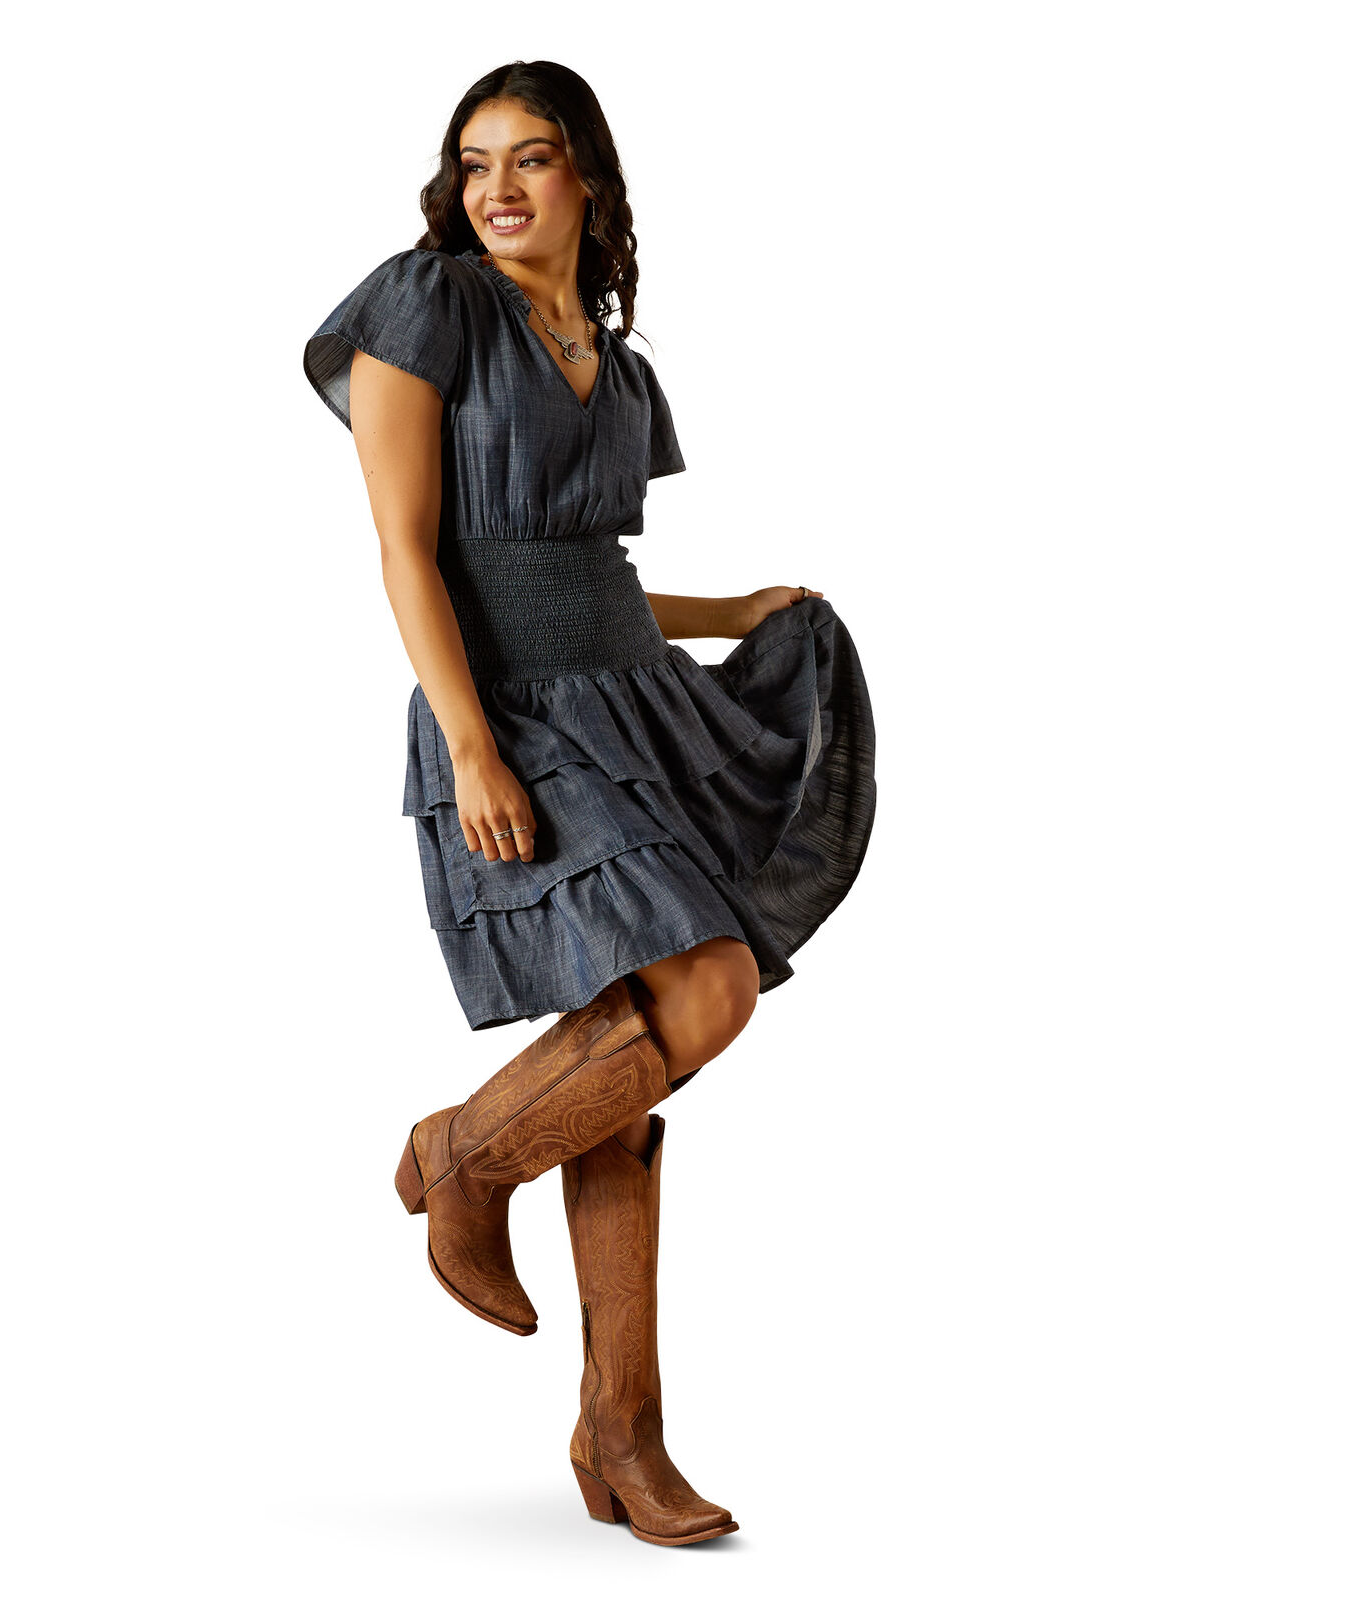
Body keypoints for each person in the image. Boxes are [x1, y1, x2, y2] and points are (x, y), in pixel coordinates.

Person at [302, 61, 876, 1547]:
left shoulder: (616, 367)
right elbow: (411, 550)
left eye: (532, 157)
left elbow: (590, 573)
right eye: (474, 160)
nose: (498, 187)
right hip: (509, 717)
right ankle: (462, 1157)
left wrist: (733, 613)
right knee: (707, 984)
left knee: (628, 1060)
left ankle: (624, 1432)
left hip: (630, 706)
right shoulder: (428, 306)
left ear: (589, 182)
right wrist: (471, 747)